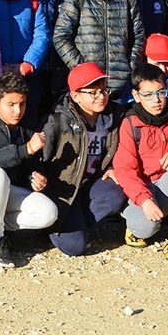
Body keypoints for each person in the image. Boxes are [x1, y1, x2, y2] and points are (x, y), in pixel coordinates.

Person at [0, 70, 57, 269]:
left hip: (10, 198)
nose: (18, 110)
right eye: (11, 104)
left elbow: (33, 165)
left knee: (49, 213)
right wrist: (25, 149)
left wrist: (35, 177)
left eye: (22, 103)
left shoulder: (27, 129)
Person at [39, 62, 127, 256]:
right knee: (74, 247)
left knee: (117, 193)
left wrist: (113, 166)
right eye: (93, 92)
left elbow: (123, 147)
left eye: (104, 90)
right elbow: (43, 158)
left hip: (90, 184)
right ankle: (52, 225)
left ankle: (78, 222)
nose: (101, 96)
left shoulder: (116, 115)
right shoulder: (57, 120)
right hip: (64, 188)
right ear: (75, 96)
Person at [53, 0, 146, 103]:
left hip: (121, 88)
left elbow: (138, 35)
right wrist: (82, 68)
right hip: (88, 89)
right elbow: (60, 36)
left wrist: (131, 66)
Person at [113, 62, 168, 258]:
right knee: (147, 227)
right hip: (141, 190)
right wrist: (145, 200)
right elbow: (125, 170)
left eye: (161, 93)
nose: (156, 100)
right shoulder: (130, 124)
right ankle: (136, 226)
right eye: (148, 95)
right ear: (136, 96)